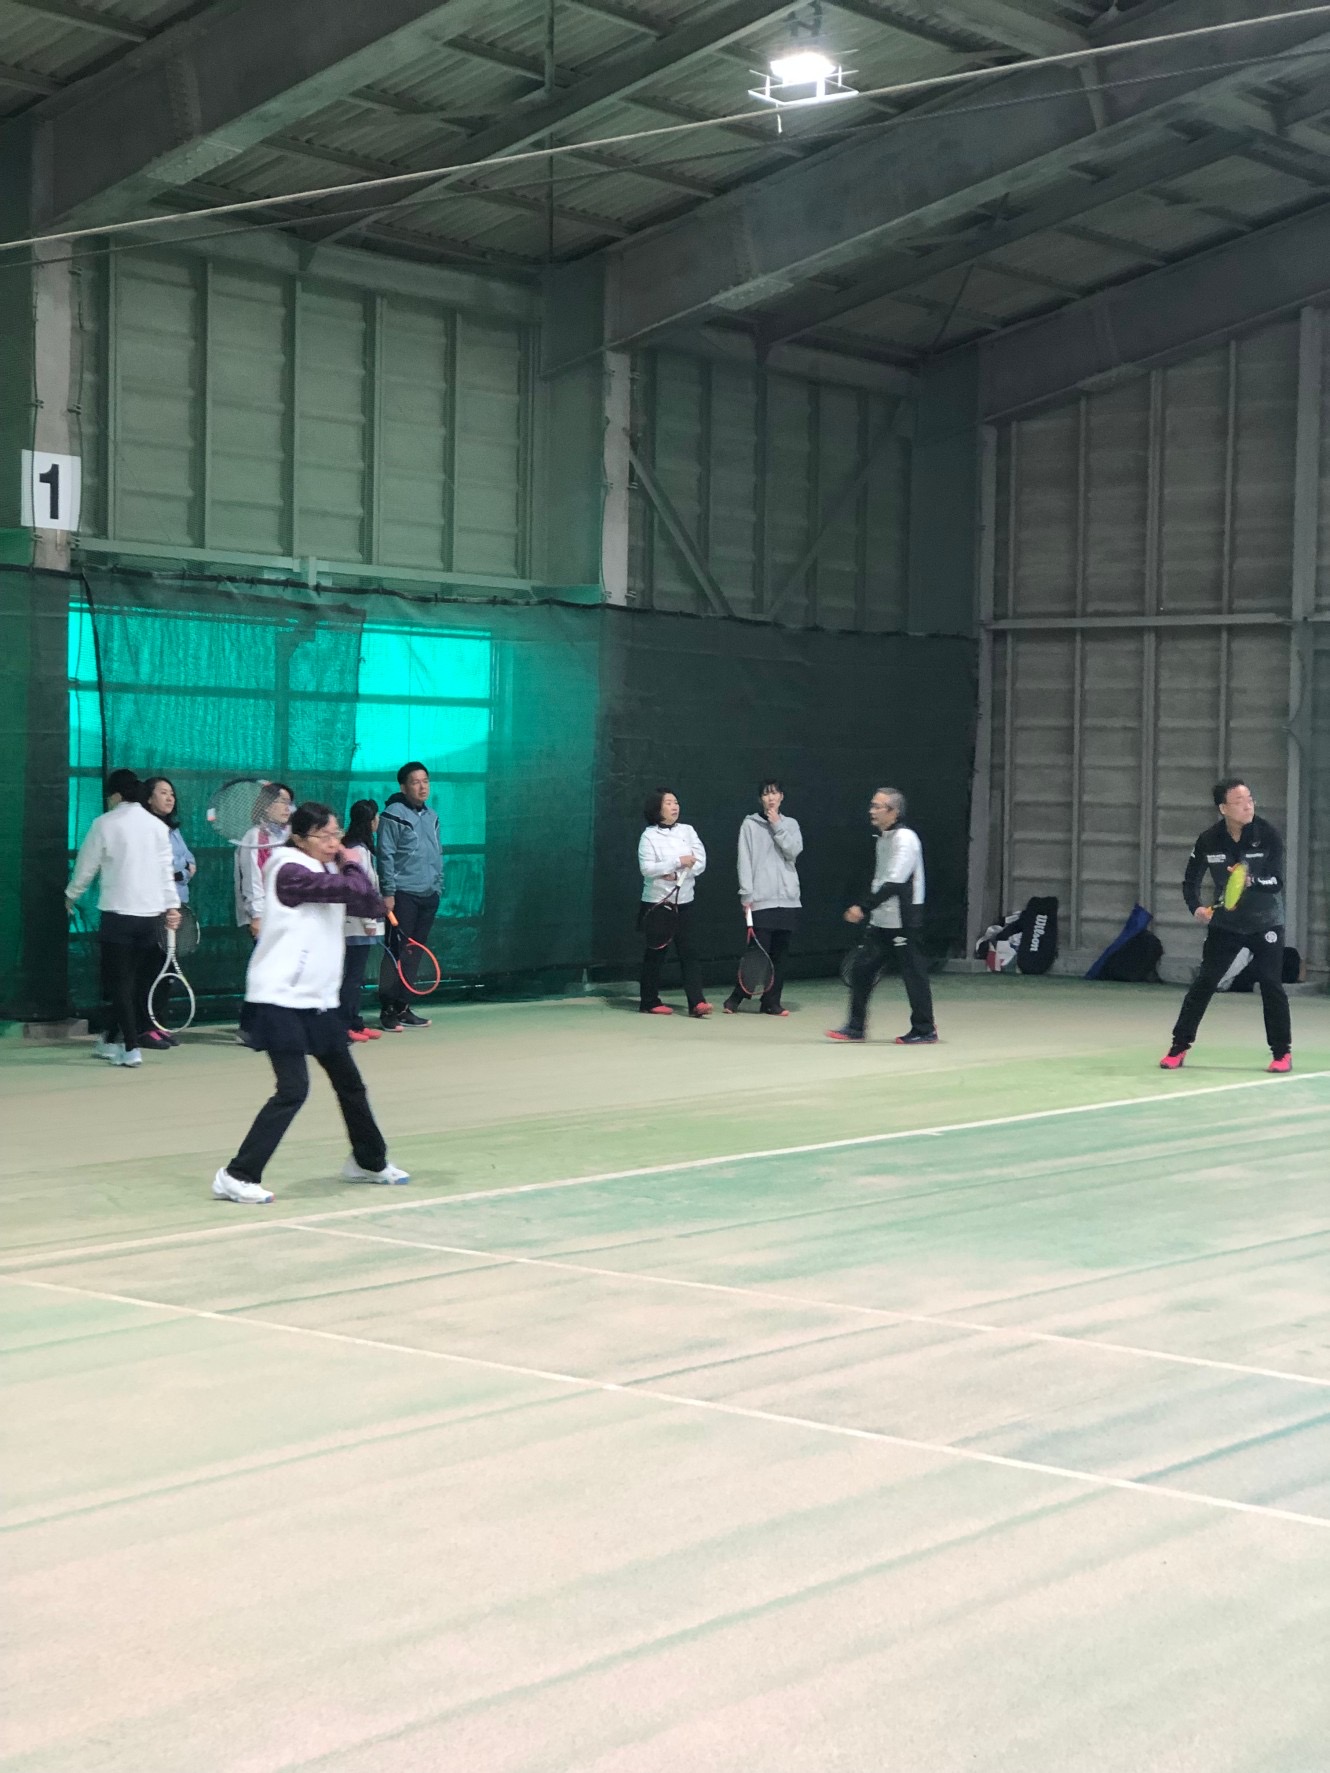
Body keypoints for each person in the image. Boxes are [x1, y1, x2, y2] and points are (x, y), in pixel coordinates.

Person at [213, 802, 409, 1205]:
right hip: (278, 998)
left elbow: (370, 902)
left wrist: (345, 864)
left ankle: (369, 1162)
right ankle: (237, 1175)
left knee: (349, 1083)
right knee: (293, 1089)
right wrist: (350, 861)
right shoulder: (287, 869)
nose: (334, 842)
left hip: (318, 1001)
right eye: (326, 836)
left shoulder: (325, 868)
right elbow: (353, 889)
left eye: (337, 834)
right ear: (300, 838)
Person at [1160, 777, 1291, 1073]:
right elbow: (1190, 880)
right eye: (1239, 801)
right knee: (1205, 982)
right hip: (1226, 925)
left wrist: (1251, 881)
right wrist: (1196, 907)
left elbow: (1276, 882)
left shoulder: (1268, 834)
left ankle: (1282, 1053)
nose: (1248, 806)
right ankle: (1178, 1047)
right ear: (1223, 808)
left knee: (1270, 984)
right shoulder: (1209, 840)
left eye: (1250, 799)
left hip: (1266, 922)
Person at [65, 768, 181, 1068]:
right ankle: (108, 1040)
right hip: (150, 919)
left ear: (115, 795)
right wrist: (172, 906)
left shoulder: (105, 823)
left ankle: (131, 1047)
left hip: (118, 918)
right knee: (129, 982)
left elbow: (86, 866)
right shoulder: (156, 826)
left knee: (120, 985)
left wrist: (71, 896)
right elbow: (166, 870)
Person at [827, 786, 937, 1045]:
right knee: (861, 970)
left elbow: (895, 882)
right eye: (872, 805)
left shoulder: (905, 839)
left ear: (894, 812)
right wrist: (873, 913)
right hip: (882, 922)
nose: (872, 811)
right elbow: (881, 881)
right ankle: (855, 1027)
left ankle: (924, 1029)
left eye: (878, 806)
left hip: (905, 922)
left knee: (914, 975)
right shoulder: (883, 839)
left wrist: (863, 908)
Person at [723, 779, 803, 1017]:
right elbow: (744, 860)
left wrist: (777, 824)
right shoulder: (749, 824)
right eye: (766, 794)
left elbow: (793, 851)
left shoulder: (790, 824)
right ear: (761, 799)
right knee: (758, 954)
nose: (771, 798)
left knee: (780, 955)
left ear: (782, 797)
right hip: (761, 899)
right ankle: (737, 996)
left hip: (788, 899)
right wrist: (746, 894)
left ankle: (771, 1002)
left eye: (775, 793)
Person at [376, 761, 443, 1032]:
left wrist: (438, 886)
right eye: (416, 782)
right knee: (396, 951)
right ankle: (387, 1010)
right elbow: (385, 855)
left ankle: (404, 1006)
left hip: (429, 895)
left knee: (414, 952)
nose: (422, 786)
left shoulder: (432, 816)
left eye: (425, 781)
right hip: (402, 895)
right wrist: (389, 892)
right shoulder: (393, 814)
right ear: (404, 787)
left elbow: (437, 852)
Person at [638, 789, 711, 1018]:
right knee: (656, 953)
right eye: (668, 803)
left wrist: (680, 873)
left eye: (676, 802)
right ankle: (649, 1001)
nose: (674, 806)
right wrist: (677, 862)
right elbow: (647, 868)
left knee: (690, 952)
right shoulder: (648, 836)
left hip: (685, 902)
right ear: (657, 808)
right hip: (658, 903)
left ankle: (697, 1002)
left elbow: (700, 861)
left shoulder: (688, 831)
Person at [139, 775, 196, 1051]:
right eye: (163, 792)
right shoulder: (146, 828)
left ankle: (158, 1024)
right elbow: (160, 869)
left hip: (178, 909)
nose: (170, 797)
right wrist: (180, 872)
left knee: (168, 970)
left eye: (171, 793)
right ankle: (143, 1027)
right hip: (154, 910)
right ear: (148, 798)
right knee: (149, 970)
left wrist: (180, 872)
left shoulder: (173, 830)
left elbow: (190, 863)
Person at [341, 799, 384, 1044]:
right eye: (376, 817)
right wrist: (369, 919)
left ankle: (354, 1022)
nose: (378, 821)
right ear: (369, 821)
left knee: (355, 976)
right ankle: (345, 1024)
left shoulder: (360, 848)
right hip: (355, 923)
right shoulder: (356, 850)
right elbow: (360, 889)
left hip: (360, 921)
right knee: (352, 976)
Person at [234, 782, 294, 938]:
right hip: (268, 916)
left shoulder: (293, 836)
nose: (287, 808)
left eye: (289, 803)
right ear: (266, 806)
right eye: (282, 802)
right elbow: (252, 879)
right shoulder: (255, 836)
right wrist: (257, 915)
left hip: (292, 914)